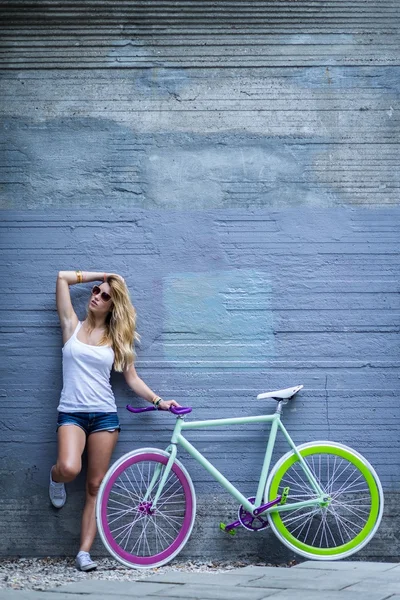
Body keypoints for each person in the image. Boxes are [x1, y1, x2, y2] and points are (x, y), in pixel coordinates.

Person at [49, 270, 179, 571]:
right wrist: (105, 275)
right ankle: (55, 479)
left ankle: (84, 552)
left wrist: (159, 401)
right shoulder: (71, 325)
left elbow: (131, 379)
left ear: (113, 305)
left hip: (105, 416)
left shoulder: (116, 339)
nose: (97, 296)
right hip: (71, 412)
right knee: (69, 468)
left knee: (95, 485)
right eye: (96, 290)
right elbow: (62, 279)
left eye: (105, 295)